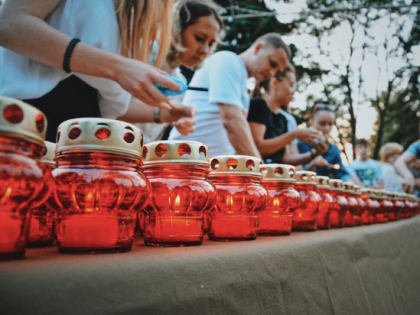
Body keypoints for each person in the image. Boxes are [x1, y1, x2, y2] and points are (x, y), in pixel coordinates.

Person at [0, 0, 182, 141]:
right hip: (26, 122)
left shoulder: (140, 11)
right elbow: (10, 24)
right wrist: (118, 67)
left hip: (83, 139)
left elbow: (109, 100)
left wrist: (165, 113)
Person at [169, 33, 291, 157]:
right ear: (258, 48)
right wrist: (257, 167)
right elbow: (231, 119)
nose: (272, 73)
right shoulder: (228, 60)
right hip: (187, 161)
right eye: (272, 64)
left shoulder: (241, 84)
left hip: (207, 164)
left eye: (277, 71)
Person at [120, 0, 223, 143]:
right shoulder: (141, 53)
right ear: (176, 28)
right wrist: (164, 115)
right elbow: (112, 107)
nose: (205, 50)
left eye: (211, 44)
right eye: (199, 38)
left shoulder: (179, 80)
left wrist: (180, 123)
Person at [247, 65, 326, 164]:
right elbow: (255, 149)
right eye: (291, 85)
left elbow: (285, 159)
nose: (293, 92)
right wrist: (295, 134)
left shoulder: (283, 119)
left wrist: (313, 154)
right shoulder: (258, 105)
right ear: (275, 83)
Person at [297, 101, 354, 181]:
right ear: (311, 122)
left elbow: (342, 174)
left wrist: (349, 183)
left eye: (330, 124)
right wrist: (312, 164)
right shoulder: (298, 144)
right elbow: (295, 176)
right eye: (322, 123)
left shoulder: (334, 150)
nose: (326, 128)